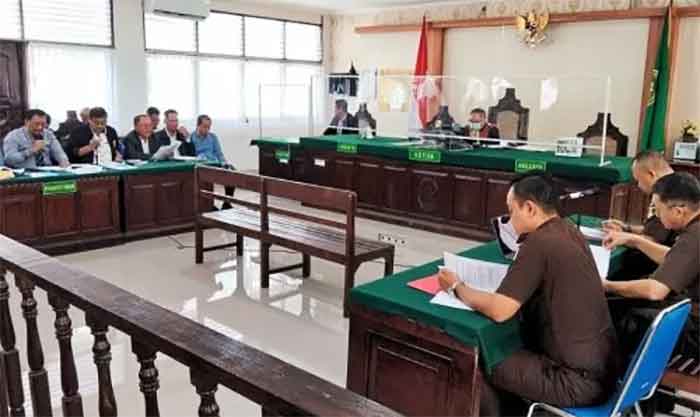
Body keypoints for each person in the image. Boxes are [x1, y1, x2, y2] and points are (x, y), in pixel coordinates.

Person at [438, 174, 619, 416]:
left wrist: (456, 286)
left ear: (530, 208)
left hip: (575, 382)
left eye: (511, 211)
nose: (509, 220)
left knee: (476, 359)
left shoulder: (540, 243)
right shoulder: (568, 230)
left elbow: (500, 311)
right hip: (604, 370)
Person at [604, 172, 699, 364]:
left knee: (622, 312)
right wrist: (633, 239)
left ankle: (610, 378)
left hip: (696, 330)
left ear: (679, 211)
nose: (655, 215)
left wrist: (606, 285)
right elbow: (676, 259)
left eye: (657, 210)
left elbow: (655, 291)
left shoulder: (695, 235)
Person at [603, 151, 676, 279]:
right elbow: (654, 230)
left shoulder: (669, 193)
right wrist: (627, 228)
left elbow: (653, 240)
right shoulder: (675, 184)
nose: (638, 186)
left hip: (660, 270)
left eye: (639, 180)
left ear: (651, 174)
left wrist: (623, 237)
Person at [191, 115, 234, 209]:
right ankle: (209, 205)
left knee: (232, 172)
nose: (207, 129)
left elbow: (219, 153)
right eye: (205, 126)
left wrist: (224, 163)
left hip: (216, 164)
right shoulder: (192, 138)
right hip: (202, 166)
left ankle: (227, 203)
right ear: (198, 126)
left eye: (209, 127)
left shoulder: (212, 137)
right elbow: (191, 156)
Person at [3, 109, 70, 169]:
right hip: (25, 173)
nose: (40, 127)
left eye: (43, 124)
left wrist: (63, 160)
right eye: (36, 124)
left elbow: (59, 152)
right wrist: (31, 150)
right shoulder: (13, 136)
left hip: (47, 170)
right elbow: (9, 160)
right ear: (26, 121)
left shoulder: (48, 134)